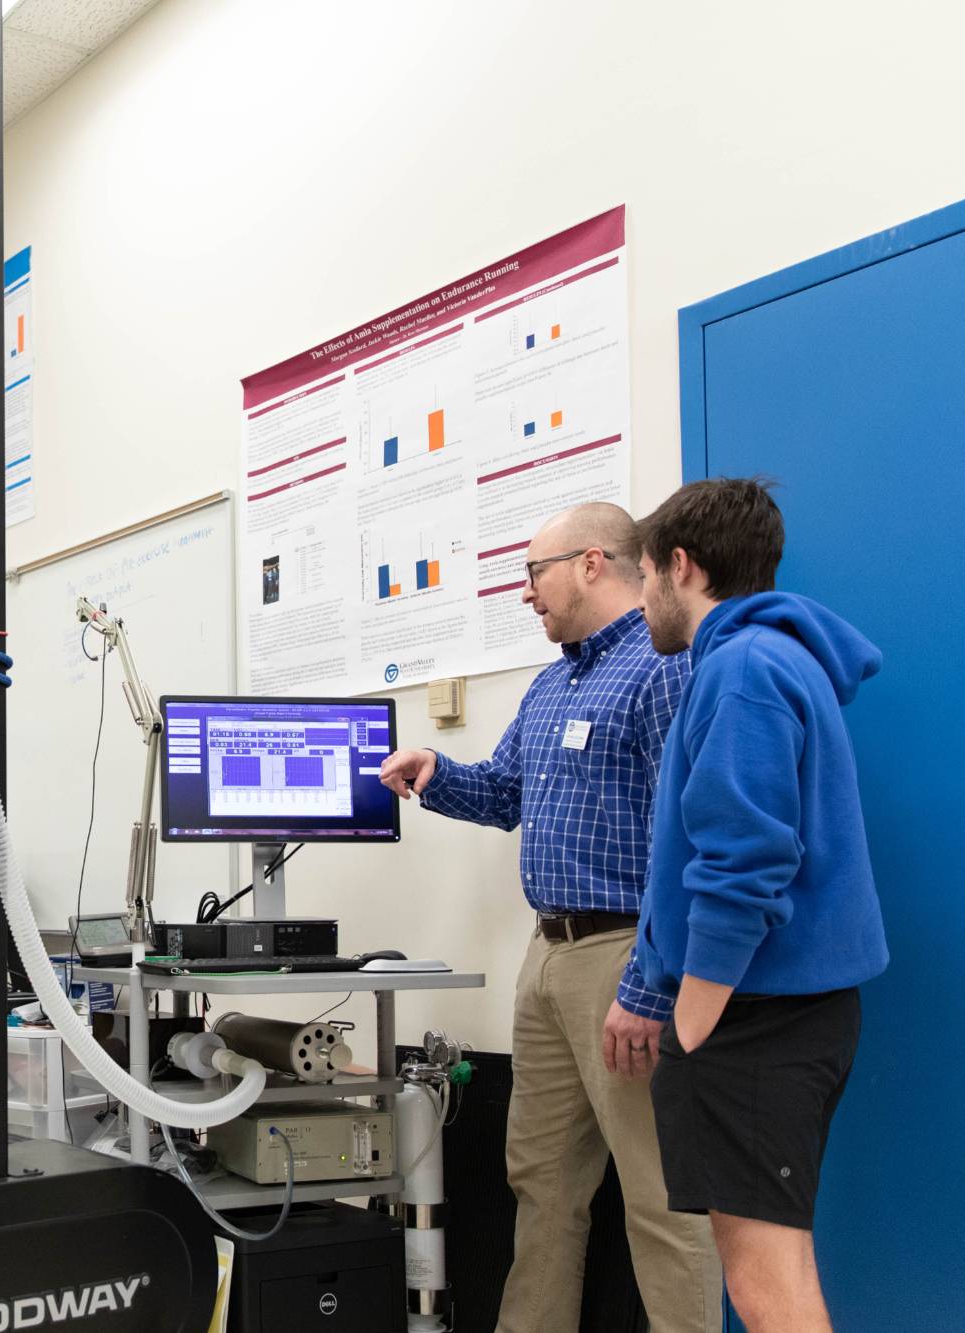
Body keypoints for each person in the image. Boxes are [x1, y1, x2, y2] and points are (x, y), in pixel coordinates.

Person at [378, 502, 722, 1332]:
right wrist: (436, 771)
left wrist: (648, 980)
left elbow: (687, 836)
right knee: (541, 1184)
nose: (526, 593)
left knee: (661, 1196)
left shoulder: (661, 666)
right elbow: (505, 794)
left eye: (533, 573)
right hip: (549, 959)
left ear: (593, 562)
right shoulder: (549, 684)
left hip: (627, 956)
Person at [633, 478, 886, 1333]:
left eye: (643, 579)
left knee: (766, 1290)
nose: (642, 604)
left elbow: (744, 861)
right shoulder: (778, 659)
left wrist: (694, 1021)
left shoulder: (740, 670)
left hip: (755, 1021)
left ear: (681, 565)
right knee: (780, 1271)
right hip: (784, 1015)